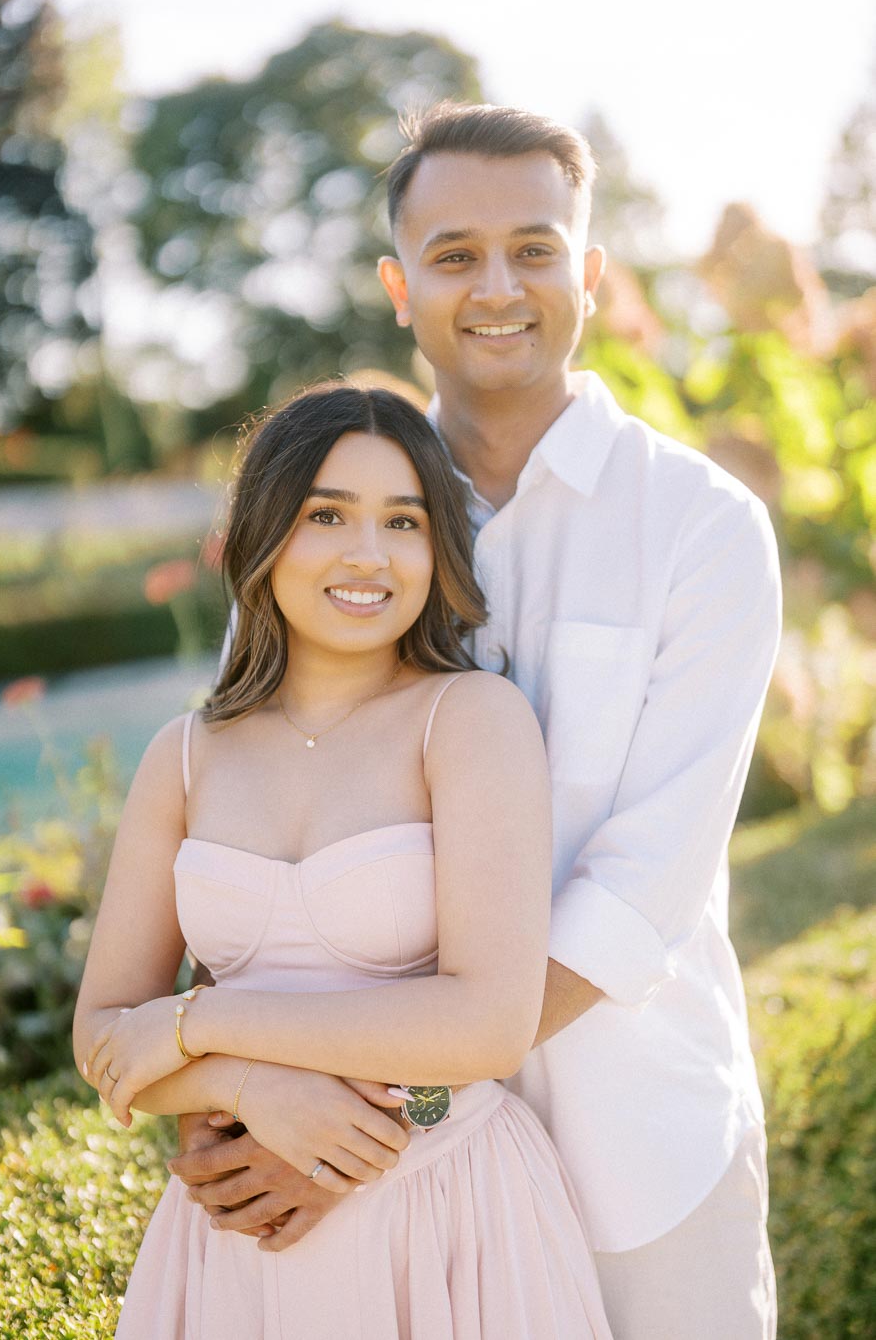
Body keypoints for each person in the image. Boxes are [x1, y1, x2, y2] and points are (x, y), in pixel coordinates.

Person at [170, 104, 782, 1340]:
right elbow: (233, 818)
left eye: (536, 248)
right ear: (400, 286)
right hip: (359, 1173)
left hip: (636, 1146)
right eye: (453, 254)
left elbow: (643, 885)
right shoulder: (315, 532)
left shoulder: (703, 529)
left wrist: (376, 1104)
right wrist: (238, 1094)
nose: (497, 285)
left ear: (591, 274)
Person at [73, 383, 614, 1338]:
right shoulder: (185, 755)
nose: (369, 555)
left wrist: (203, 1022)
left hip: (450, 1216)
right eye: (328, 514)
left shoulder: (470, 720)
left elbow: (490, 1023)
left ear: (436, 549)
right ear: (265, 532)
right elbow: (105, 1036)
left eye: (402, 522)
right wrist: (247, 1086)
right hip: (235, 1245)